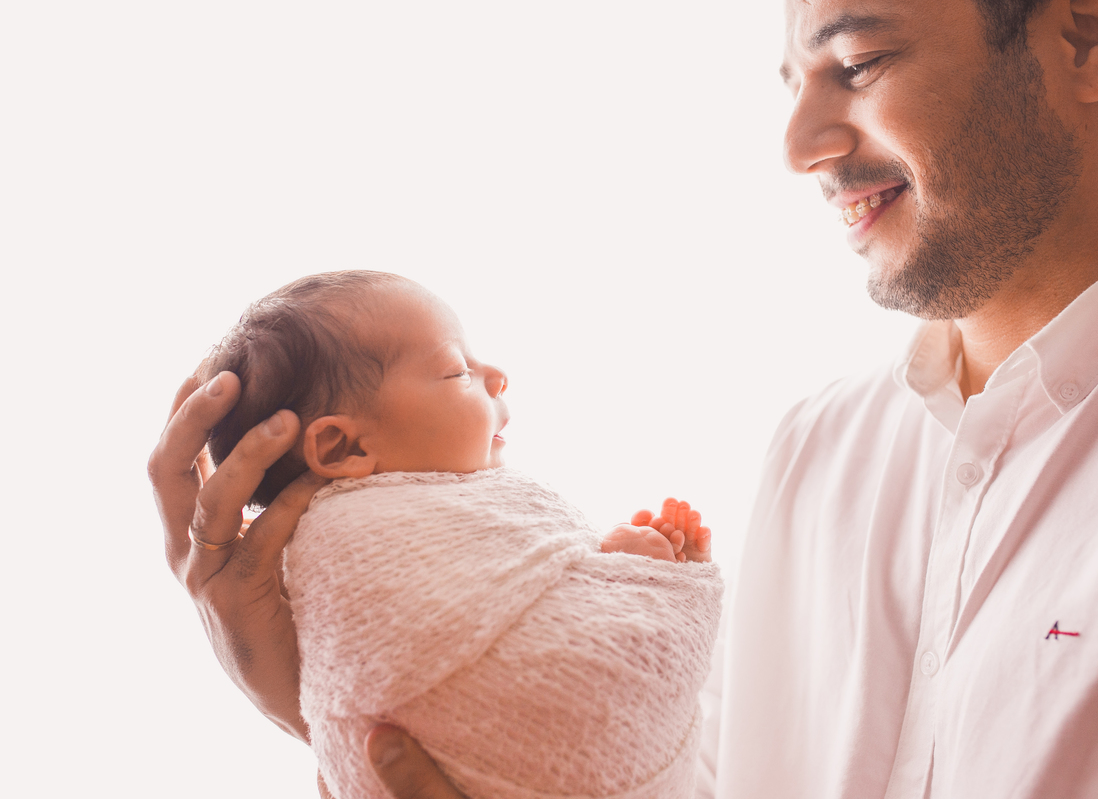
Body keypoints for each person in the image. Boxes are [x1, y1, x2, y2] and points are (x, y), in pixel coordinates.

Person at [148, 0, 1098, 794]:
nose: (798, 146)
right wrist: (335, 706)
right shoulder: (818, 453)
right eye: (791, 82)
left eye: (857, 62)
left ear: (1087, 33)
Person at [193, 270, 721, 799]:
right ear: (341, 449)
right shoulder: (351, 537)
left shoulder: (462, 512)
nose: (496, 375)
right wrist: (632, 574)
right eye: (455, 371)